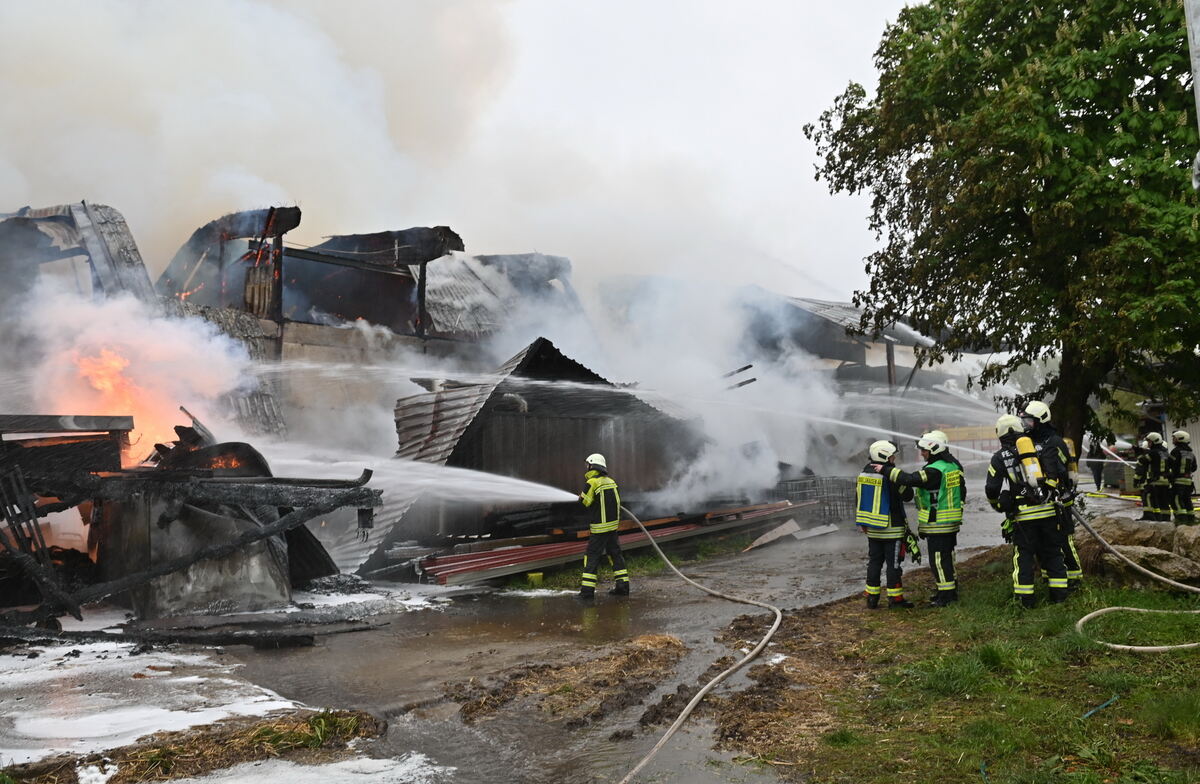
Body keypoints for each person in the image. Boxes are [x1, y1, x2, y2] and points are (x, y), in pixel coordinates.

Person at [984, 414, 1070, 608]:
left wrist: (997, 504)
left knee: (1023, 556)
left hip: (1024, 517)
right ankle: (1059, 597)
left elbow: (991, 488)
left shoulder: (999, 457)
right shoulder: (1040, 447)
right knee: (1053, 553)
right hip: (1049, 511)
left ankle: (1026, 601)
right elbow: (1060, 472)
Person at [878, 432, 964, 606]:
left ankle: (946, 598)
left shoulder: (934, 470)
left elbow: (910, 480)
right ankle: (948, 591)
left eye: (924, 450)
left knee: (938, 561)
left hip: (939, 523)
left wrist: (886, 469)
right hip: (949, 522)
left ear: (934, 449)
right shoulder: (952, 466)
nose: (922, 453)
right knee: (947, 558)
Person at [1020, 401, 1082, 589]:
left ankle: (1075, 577)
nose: (1026, 425)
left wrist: (1054, 488)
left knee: (1064, 540)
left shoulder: (1055, 442)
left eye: (1029, 421)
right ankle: (1050, 576)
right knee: (1045, 542)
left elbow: (1059, 471)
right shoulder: (1031, 441)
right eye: (1025, 421)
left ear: (1040, 421)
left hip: (1059, 499)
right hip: (1042, 501)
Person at [855, 440, 916, 609]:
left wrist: (862, 523)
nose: (894, 459)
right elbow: (907, 495)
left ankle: (872, 598)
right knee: (893, 565)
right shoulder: (891, 475)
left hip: (872, 529)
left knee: (874, 563)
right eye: (892, 456)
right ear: (884, 456)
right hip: (892, 529)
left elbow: (858, 499)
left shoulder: (863, 474)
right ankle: (895, 600)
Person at [577, 453, 629, 599]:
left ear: (592, 465)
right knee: (616, 556)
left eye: (588, 465)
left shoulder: (592, 482)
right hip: (612, 529)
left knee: (591, 558)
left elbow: (585, 502)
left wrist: (580, 497)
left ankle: (587, 592)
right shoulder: (611, 482)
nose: (586, 467)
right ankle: (623, 587)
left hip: (599, 529)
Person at [1168, 430, 1197, 525]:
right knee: (1187, 499)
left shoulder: (1175, 451)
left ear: (1180, 439)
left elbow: (1169, 464)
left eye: (1174, 438)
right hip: (1188, 481)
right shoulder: (1191, 453)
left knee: (1177, 499)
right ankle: (1191, 518)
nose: (1173, 439)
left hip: (1178, 481)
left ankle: (1182, 519)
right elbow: (1194, 468)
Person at [1145, 432, 1173, 522]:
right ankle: (1166, 519)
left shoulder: (1152, 452)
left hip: (1156, 481)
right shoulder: (1166, 452)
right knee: (1164, 501)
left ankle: (1151, 517)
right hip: (1165, 481)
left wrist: (1140, 452)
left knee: (1149, 497)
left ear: (1154, 441)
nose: (1148, 444)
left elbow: (1143, 461)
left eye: (1149, 442)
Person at [1133, 439, 1151, 519]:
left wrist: (1135, 482)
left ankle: (1147, 516)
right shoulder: (1153, 456)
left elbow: (1139, 472)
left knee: (1146, 500)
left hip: (1144, 483)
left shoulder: (1142, 458)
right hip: (1153, 482)